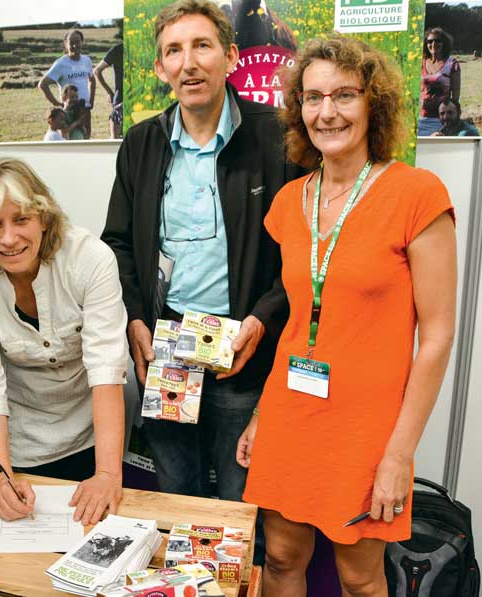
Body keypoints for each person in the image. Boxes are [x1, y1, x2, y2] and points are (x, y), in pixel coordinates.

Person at [238, 36, 457, 595]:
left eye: (344, 95)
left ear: (373, 103)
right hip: (293, 409)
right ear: (298, 109)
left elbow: (436, 336)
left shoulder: (417, 195)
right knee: (283, 557)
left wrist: (400, 455)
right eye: (313, 98)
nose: (327, 112)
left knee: (359, 578)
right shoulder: (290, 202)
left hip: (367, 427)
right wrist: (263, 413)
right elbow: (297, 321)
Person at [101, 0, 300, 500]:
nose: (188, 62)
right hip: (166, 348)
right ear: (160, 67)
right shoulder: (141, 144)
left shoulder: (276, 137)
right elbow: (118, 243)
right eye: (174, 50)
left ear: (231, 56)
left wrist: (263, 318)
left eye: (202, 46)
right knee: (175, 493)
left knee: (240, 502)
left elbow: (305, 252)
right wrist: (135, 320)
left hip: (242, 352)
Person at [0, 157, 128, 524]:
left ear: (43, 219)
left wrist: (108, 475)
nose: (9, 238)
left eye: (21, 220)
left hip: (91, 432)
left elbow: (106, 366)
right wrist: (2, 483)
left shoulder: (90, 259)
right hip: (20, 439)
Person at [39, 28, 96, 139]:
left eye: (77, 42)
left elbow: (92, 80)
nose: (75, 45)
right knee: (72, 139)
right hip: (69, 112)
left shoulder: (87, 60)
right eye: (71, 43)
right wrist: (57, 104)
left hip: (84, 108)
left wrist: (91, 100)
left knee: (87, 137)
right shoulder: (61, 64)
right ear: (66, 44)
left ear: (82, 42)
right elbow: (43, 84)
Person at [418, 27, 461, 136]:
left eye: (438, 41)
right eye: (430, 41)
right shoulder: (420, 63)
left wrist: (450, 123)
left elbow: (455, 98)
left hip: (441, 121)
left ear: (444, 43)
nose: (433, 44)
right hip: (421, 118)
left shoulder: (452, 64)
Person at [94, 43, 124, 139]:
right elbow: (97, 71)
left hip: (120, 98)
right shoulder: (118, 49)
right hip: (121, 100)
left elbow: (97, 70)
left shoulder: (118, 48)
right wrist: (109, 92)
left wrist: (110, 92)